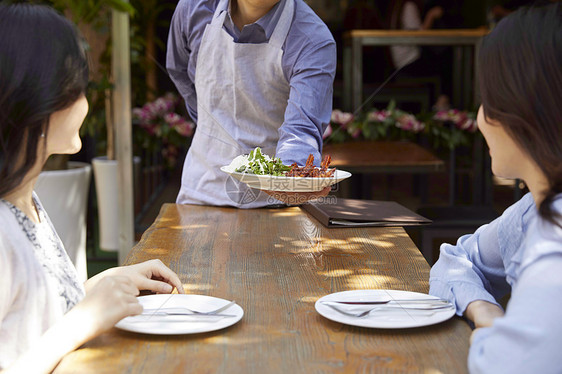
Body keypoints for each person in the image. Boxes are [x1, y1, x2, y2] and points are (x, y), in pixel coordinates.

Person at [0, 4, 184, 372]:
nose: (86, 103)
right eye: (79, 89)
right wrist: (83, 320)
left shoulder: (26, 200)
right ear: (42, 99)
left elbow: (29, 317)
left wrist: (111, 281)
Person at [429, 3, 562, 373]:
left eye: (488, 100)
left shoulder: (554, 254)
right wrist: (484, 310)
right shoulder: (531, 213)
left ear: (521, 112)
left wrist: (489, 337)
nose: (480, 119)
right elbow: (455, 260)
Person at [166, 0, 337, 208]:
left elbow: (301, 131)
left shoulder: (313, 40)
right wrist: (209, 125)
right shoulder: (192, 9)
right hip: (200, 195)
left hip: (276, 204)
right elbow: (179, 71)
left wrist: (293, 181)